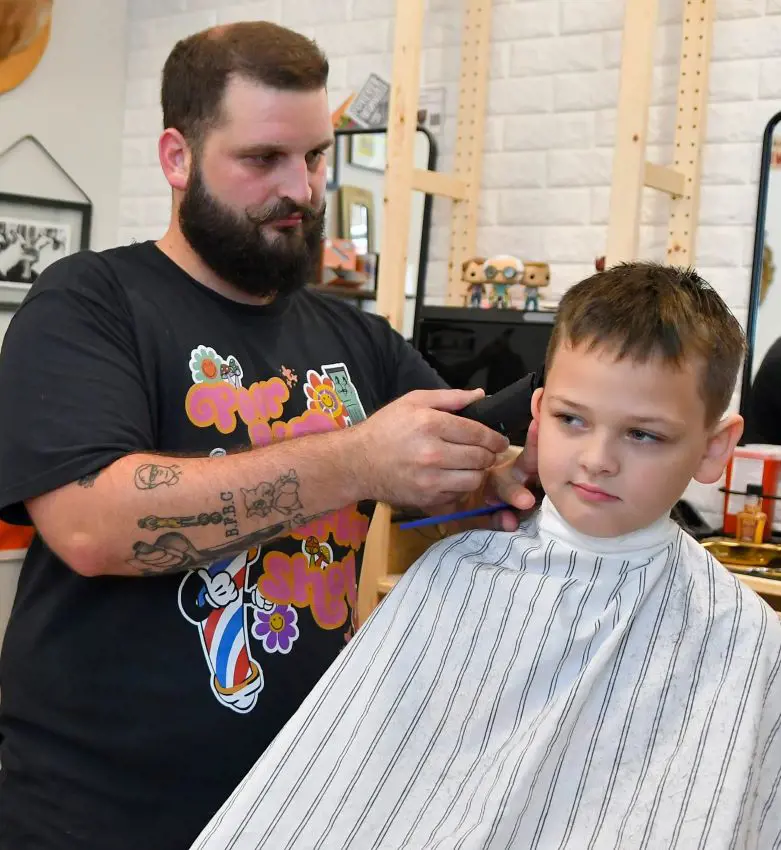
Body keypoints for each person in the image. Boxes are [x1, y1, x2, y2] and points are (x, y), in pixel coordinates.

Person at [0, 21, 538, 850]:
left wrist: (535, 437)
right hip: (95, 814)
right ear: (177, 157)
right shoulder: (90, 301)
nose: (302, 190)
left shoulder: (358, 340)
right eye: (263, 161)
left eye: (316, 158)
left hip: (301, 805)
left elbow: (458, 457)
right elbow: (90, 524)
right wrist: (358, 459)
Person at [189, 262, 781, 850]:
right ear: (539, 413)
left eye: (643, 434)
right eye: (572, 420)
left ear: (714, 448)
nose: (598, 458)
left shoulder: (744, 637)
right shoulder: (455, 576)